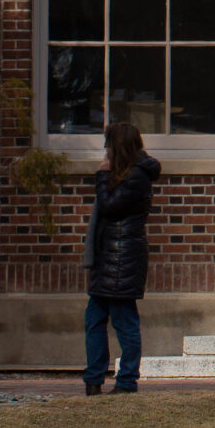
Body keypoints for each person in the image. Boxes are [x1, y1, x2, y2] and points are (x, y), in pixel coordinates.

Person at [82, 122, 160, 396]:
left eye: (108, 145)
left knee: (124, 321)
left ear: (119, 147)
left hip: (123, 258)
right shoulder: (125, 173)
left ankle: (126, 380)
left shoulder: (137, 176)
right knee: (94, 319)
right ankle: (93, 378)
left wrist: (101, 177)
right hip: (109, 258)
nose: (105, 151)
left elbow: (111, 207)